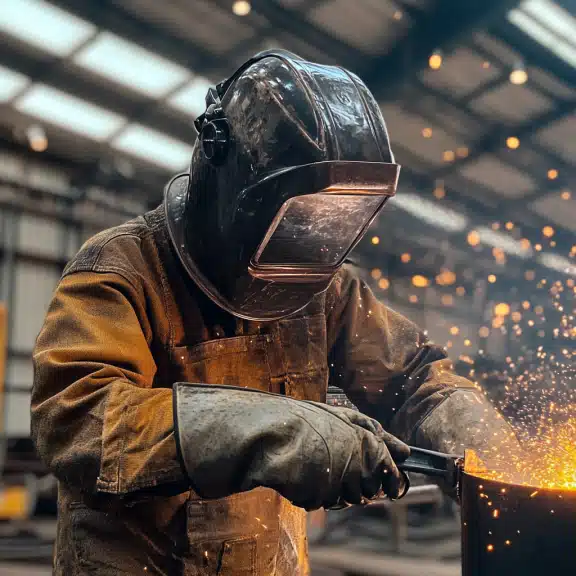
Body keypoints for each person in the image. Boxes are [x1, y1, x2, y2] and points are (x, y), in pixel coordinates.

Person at [31, 51, 517, 575]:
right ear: (228, 181)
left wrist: (475, 436)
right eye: (296, 216)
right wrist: (272, 431)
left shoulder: (324, 290)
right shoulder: (122, 270)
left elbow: (414, 376)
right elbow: (78, 421)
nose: (308, 245)